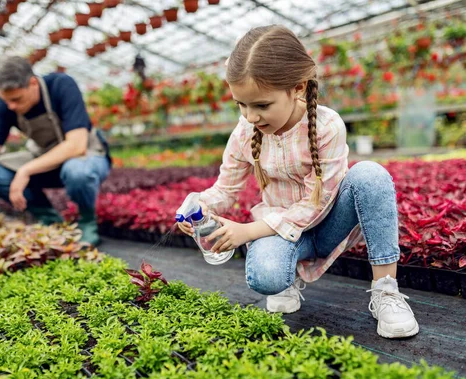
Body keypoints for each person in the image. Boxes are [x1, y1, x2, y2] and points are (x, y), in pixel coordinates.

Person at [177, 26, 418, 339]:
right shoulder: (244, 133)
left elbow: (316, 204)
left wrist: (248, 232)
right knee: (265, 277)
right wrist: (201, 204)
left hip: (330, 223)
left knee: (370, 175)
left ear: (298, 87)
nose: (250, 116)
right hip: (286, 235)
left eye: (261, 105)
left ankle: (386, 290)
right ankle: (287, 278)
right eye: (242, 105)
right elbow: (225, 190)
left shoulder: (326, 126)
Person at [0, 56, 111, 245]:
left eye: (16, 99)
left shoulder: (61, 85)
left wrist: (26, 170)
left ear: (33, 83)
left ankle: (87, 222)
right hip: (44, 157)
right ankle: (50, 219)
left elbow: (76, 146)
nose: (11, 106)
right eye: (6, 100)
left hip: (87, 156)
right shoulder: (4, 105)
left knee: (77, 171)